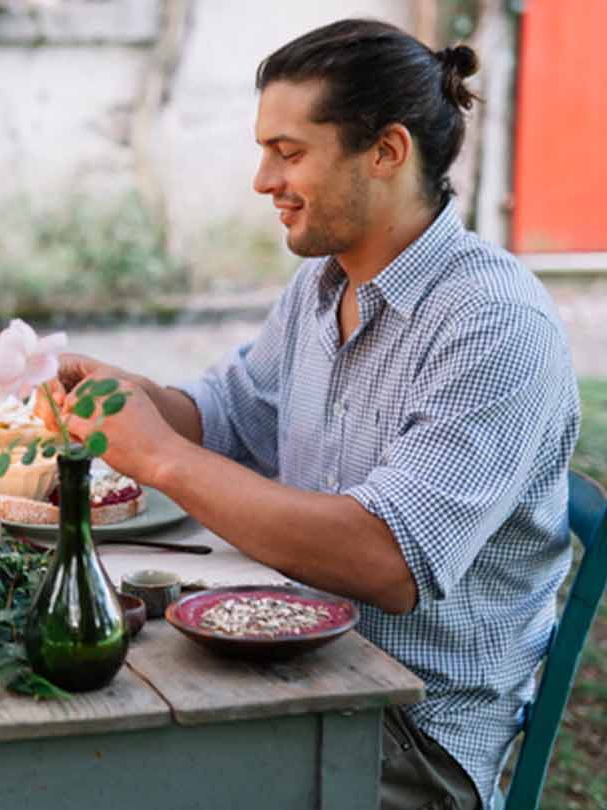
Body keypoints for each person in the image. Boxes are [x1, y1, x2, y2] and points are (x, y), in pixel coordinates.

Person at [44, 19, 580, 810]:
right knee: (66, 732)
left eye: (289, 152)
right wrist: (128, 397)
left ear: (387, 152)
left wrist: (158, 458)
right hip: (289, 662)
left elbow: (387, 562)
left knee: (94, 770)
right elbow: (223, 417)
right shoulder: (326, 284)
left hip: (407, 733)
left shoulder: (495, 326)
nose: (264, 180)